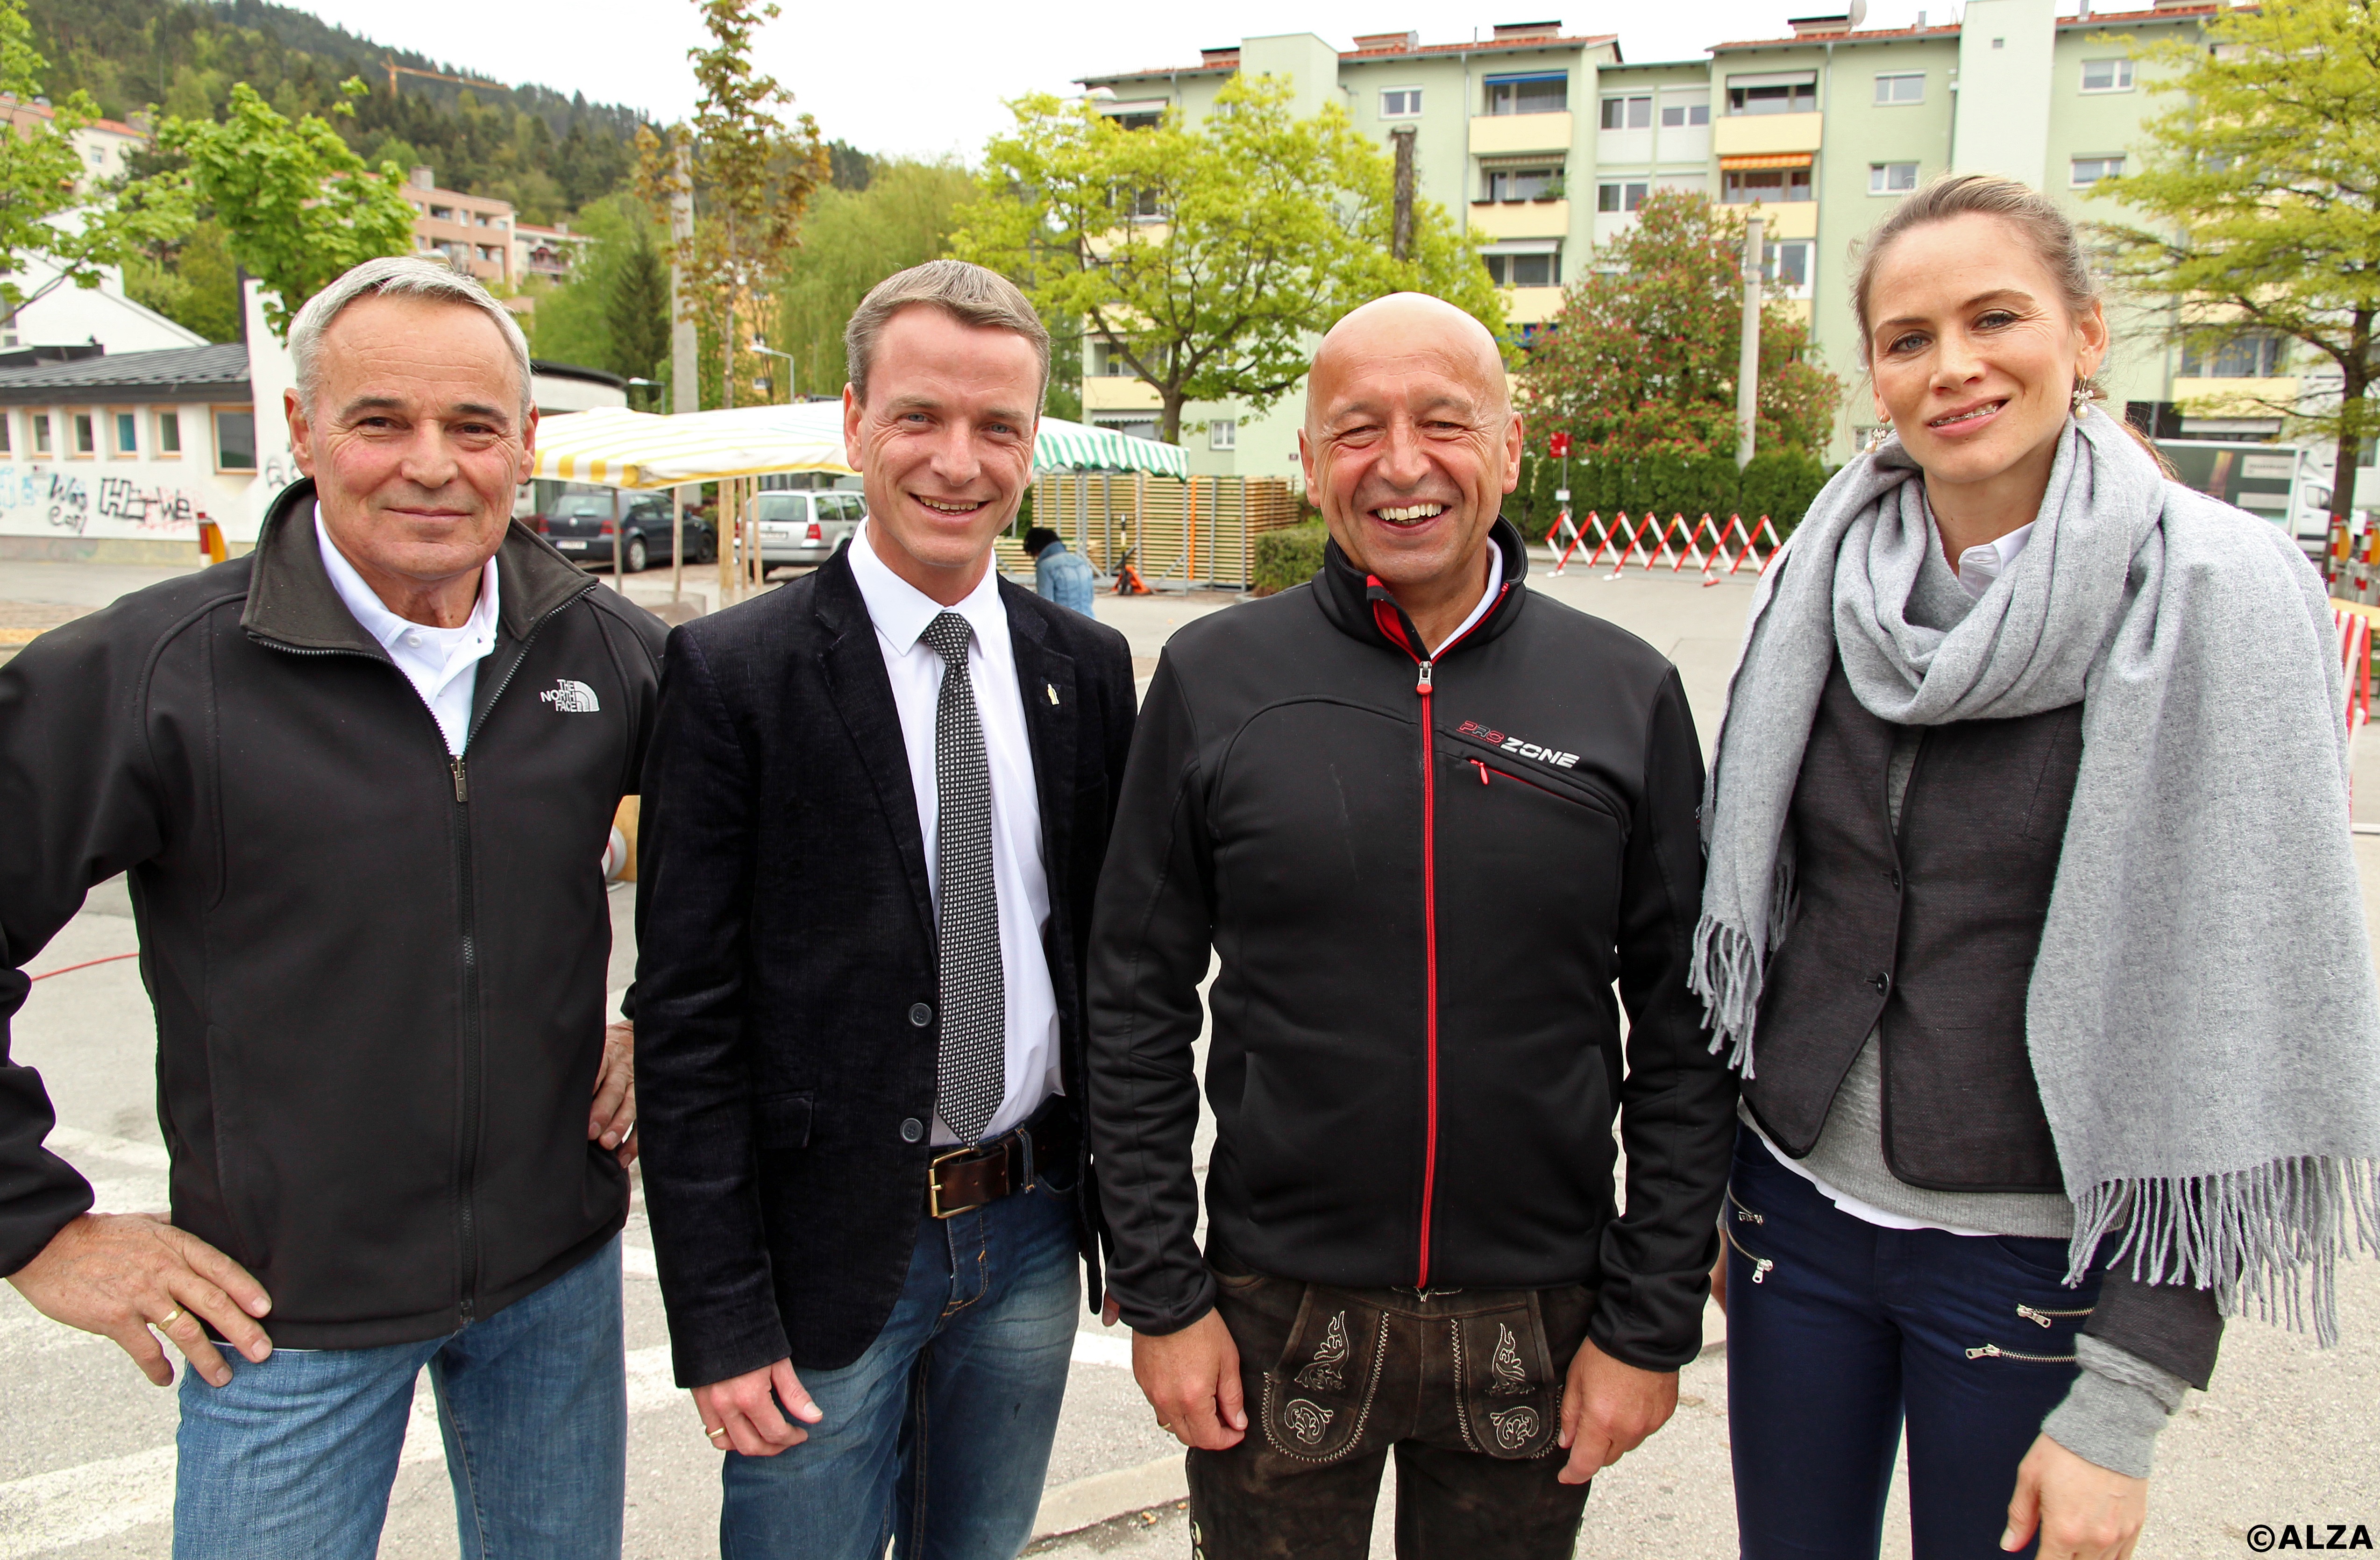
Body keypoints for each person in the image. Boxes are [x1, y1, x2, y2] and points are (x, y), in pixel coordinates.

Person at [1694, 173, 2380, 1560]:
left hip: (2035, 1259)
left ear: (2084, 332)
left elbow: (2235, 1012)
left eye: (1993, 317)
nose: (1952, 367)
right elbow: (1771, 912)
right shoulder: (1818, 575)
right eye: (1906, 337)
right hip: (1794, 1221)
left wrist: (2124, 1402)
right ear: (1873, 374)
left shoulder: (2220, 593)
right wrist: (1706, 1188)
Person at [0, 255, 668, 1557]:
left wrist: (654, 1018)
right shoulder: (152, 672)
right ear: (302, 432)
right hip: (281, 1313)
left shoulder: (605, 650)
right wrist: (35, 1225)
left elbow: (746, 863)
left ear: (524, 447)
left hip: (556, 1285)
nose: (432, 462)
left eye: (473, 426)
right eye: (380, 421)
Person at [1086, 293, 1737, 1560]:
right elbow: (1131, 996)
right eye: (1354, 428)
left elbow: (1682, 1025)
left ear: (1506, 445)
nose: (1398, 464)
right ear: (1309, 461)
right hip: (1276, 1310)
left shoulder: (1622, 690)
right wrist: (1161, 1293)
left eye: (1441, 421)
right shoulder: (1216, 678)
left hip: (1536, 1316)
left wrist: (1647, 1319)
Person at [632, 260, 1137, 1560]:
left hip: (1027, 1229)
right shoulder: (731, 673)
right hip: (826, 1256)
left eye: (997, 428)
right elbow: (685, 1019)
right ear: (851, 421)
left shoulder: (1083, 670)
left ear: (1033, 442)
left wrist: (1130, 1220)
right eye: (918, 417)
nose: (956, 462)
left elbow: (1108, 968)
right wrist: (723, 1317)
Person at [1024, 525, 1098, 616]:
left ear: (1036, 549)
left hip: (1065, 624)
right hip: (1089, 621)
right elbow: (1090, 598)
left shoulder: (1046, 567)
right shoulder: (1081, 563)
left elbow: (1046, 605)